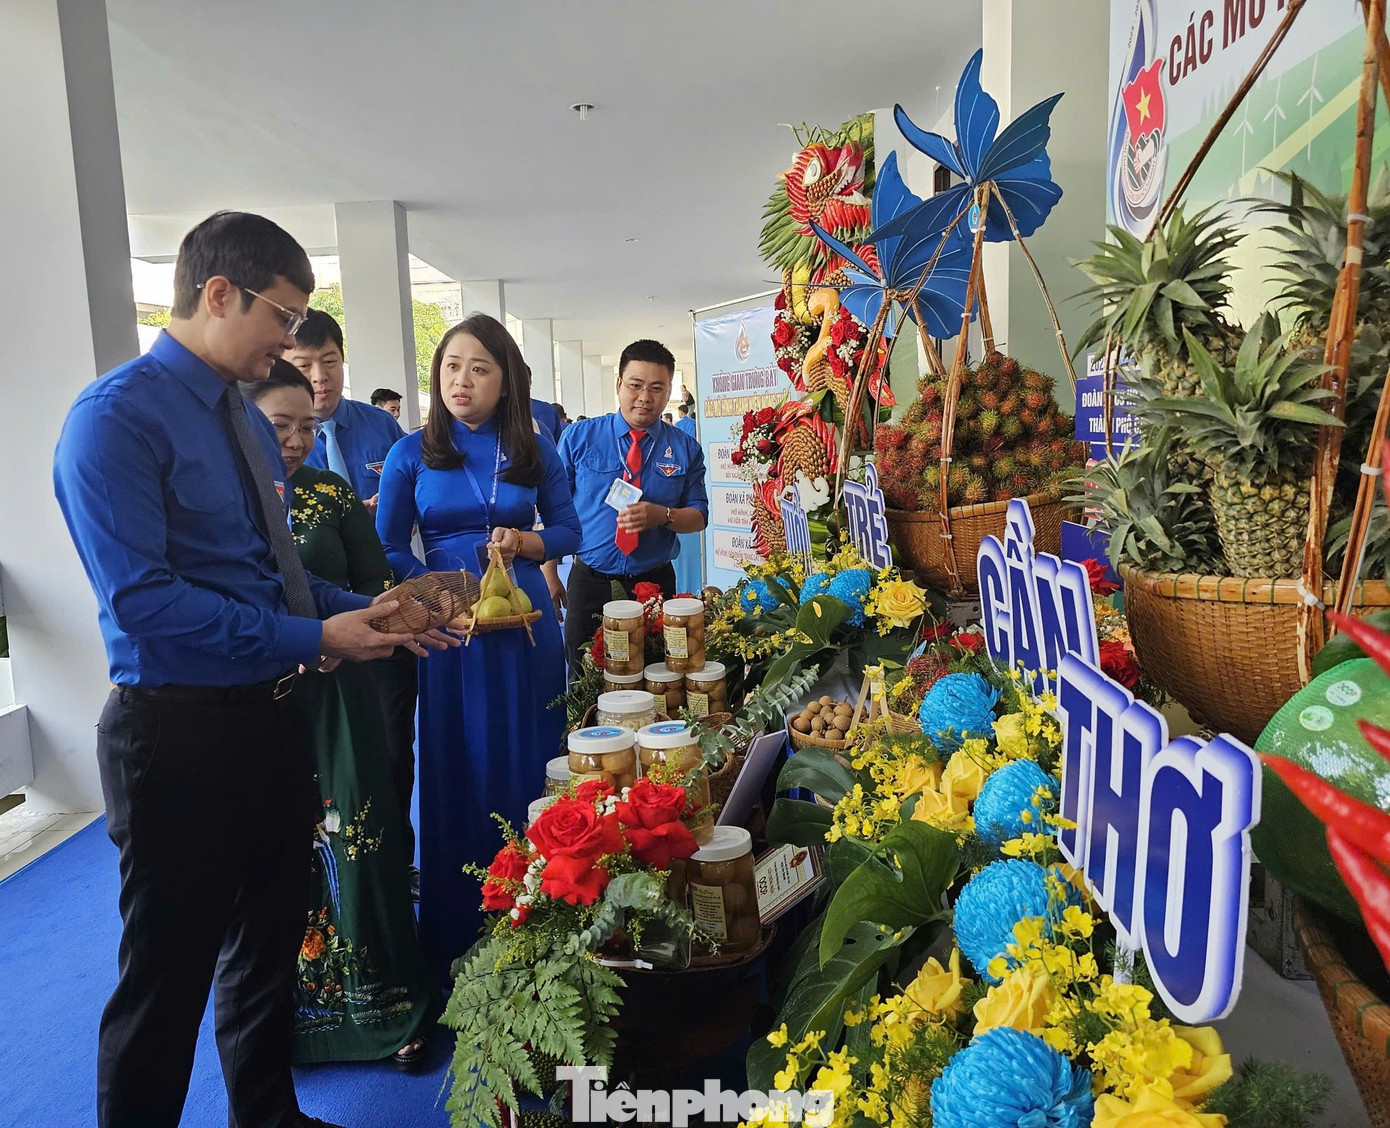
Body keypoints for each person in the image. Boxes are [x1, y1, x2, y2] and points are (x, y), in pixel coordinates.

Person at [52, 210, 455, 1128]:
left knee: (269, 942)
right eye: (282, 315)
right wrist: (315, 639)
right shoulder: (114, 420)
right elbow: (145, 604)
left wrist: (368, 610)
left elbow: (272, 575)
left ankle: (268, 1117)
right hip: (176, 731)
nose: (291, 340)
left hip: (273, 718)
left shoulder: (239, 412)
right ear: (218, 293)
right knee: (166, 976)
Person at [244, 363, 436, 1069]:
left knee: (359, 835)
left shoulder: (331, 493)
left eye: (306, 427)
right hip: (257, 701)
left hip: (338, 694)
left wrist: (388, 623)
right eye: (279, 426)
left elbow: (372, 588)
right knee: (274, 854)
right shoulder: (222, 503)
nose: (295, 441)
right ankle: (286, 1017)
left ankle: (383, 1005)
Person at [376, 313, 581, 976]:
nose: (461, 379)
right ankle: (454, 935)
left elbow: (571, 529)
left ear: (506, 381)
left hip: (525, 627)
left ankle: (541, 923)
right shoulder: (411, 452)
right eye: (451, 366)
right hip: (447, 630)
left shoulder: (535, 448)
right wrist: (433, 593)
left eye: (479, 368)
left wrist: (528, 542)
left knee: (529, 759)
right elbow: (387, 544)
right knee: (455, 765)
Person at [286, 310, 420, 890]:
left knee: (391, 748)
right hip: (304, 636)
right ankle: (328, 889)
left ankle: (394, 868)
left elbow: (408, 515)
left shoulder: (381, 428)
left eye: (330, 362)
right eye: (303, 364)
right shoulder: (262, 448)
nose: (319, 377)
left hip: (381, 608)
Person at [557, 339, 709, 671]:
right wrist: (548, 573)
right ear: (619, 384)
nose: (644, 397)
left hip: (653, 585)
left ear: (669, 391)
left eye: (657, 388)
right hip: (589, 582)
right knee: (583, 677)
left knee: (657, 674)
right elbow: (556, 509)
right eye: (635, 385)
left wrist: (662, 515)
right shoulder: (579, 438)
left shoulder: (685, 448)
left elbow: (699, 517)